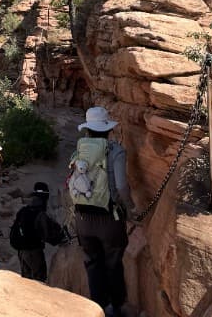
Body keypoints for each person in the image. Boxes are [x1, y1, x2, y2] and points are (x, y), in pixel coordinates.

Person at [68, 106, 135, 317]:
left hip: (82, 219)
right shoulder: (115, 150)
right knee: (113, 263)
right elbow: (122, 187)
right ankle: (117, 308)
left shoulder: (78, 152)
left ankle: (98, 308)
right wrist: (131, 208)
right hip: (109, 219)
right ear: (108, 129)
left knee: (93, 263)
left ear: (87, 130)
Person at [9, 181, 67, 281]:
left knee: (26, 281)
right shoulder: (40, 214)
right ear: (45, 197)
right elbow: (48, 235)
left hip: (21, 252)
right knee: (39, 282)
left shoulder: (24, 210)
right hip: (33, 252)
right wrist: (62, 238)